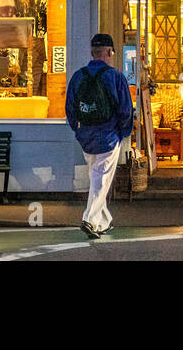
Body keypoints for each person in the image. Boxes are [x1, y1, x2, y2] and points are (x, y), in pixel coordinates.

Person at [65, 33, 134, 239]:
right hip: (109, 136)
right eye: (112, 52)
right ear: (108, 52)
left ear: (93, 52)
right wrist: (123, 133)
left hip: (86, 137)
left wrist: (78, 131)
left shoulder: (78, 76)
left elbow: (70, 109)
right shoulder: (115, 77)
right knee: (101, 181)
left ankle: (104, 221)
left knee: (97, 177)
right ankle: (90, 219)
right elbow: (125, 110)